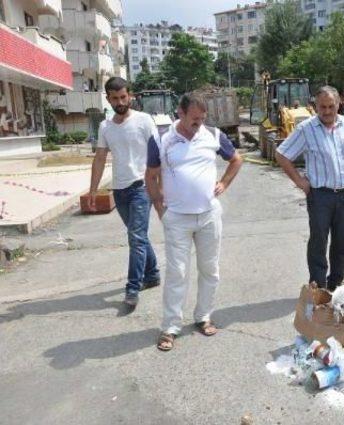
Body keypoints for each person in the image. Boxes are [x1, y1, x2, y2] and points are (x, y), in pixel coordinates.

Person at [146, 93, 243, 351]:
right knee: (177, 272)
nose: (197, 124)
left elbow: (236, 159)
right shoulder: (161, 139)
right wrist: (159, 208)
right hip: (176, 218)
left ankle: (203, 316)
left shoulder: (212, 135)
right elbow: (151, 176)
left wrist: (224, 182)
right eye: (193, 119)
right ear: (180, 112)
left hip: (209, 216)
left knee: (209, 269)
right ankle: (170, 327)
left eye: (201, 119)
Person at [276, 86, 344, 292]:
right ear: (315, 107)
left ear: (338, 105)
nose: (327, 111)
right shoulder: (306, 129)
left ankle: (336, 284)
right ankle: (319, 286)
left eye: (331, 106)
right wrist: (300, 182)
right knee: (318, 242)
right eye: (322, 107)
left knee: (341, 243)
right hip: (320, 197)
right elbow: (282, 154)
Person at [89, 77, 161, 307]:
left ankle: (132, 288)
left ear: (129, 96)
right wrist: (93, 191)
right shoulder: (105, 127)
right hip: (119, 191)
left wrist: (162, 188)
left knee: (136, 237)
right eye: (115, 98)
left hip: (141, 187)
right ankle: (152, 275)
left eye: (123, 97)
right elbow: (100, 158)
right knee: (138, 235)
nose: (120, 102)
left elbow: (158, 155)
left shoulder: (144, 120)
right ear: (108, 99)